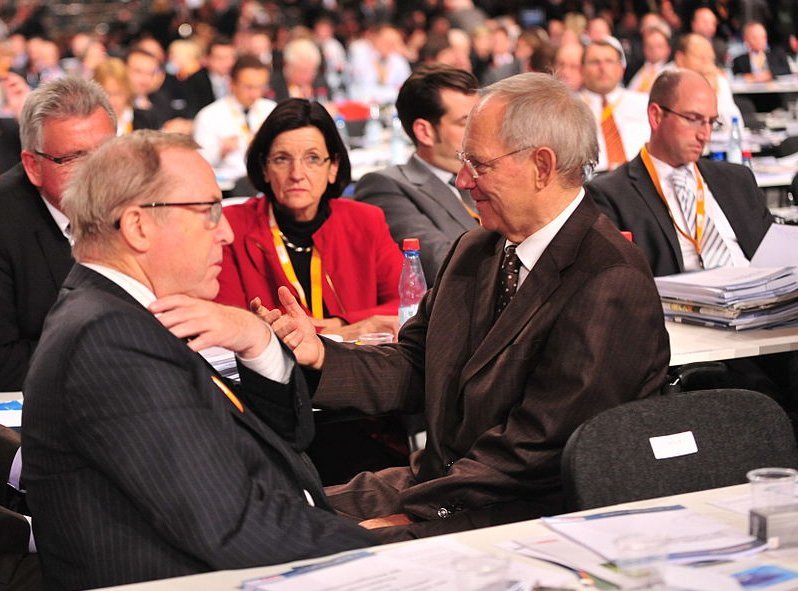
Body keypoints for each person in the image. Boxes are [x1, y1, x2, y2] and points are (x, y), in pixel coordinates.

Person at [267, 73, 670, 541]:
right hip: (442, 482)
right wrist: (319, 353)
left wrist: (415, 515)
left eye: (478, 164)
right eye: (463, 161)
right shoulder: (477, 248)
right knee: (268, 510)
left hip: (531, 511)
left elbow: (535, 452)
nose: (462, 181)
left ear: (542, 165)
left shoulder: (608, 280)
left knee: (302, 546)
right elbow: (417, 364)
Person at [22, 130, 374, 591]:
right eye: (208, 210)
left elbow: (286, 441)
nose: (226, 231)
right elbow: (232, 526)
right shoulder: (110, 335)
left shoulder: (118, 313)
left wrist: (259, 342)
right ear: (137, 226)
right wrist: (389, 549)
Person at [216, 98, 402, 341]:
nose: (297, 174)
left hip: (359, 366)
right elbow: (227, 319)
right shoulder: (232, 226)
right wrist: (342, 331)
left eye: (312, 158)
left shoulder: (365, 220)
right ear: (264, 168)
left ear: (333, 167)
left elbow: (408, 303)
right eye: (282, 159)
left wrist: (337, 324)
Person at [587, 68, 771, 277]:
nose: (705, 135)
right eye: (693, 119)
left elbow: (774, 257)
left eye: (711, 122)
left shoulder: (738, 179)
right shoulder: (611, 194)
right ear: (656, 116)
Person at [0, 77, 116, 391]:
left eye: (106, 152)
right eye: (75, 158)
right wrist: (119, 356)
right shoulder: (5, 223)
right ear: (32, 165)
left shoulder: (135, 199)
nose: (97, 172)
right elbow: (4, 364)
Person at [354, 65, 480, 284]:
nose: (481, 129)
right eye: (466, 121)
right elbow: (443, 265)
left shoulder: (494, 175)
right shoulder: (385, 186)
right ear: (425, 132)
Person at [193, 54, 275, 194]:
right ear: (232, 84)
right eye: (249, 87)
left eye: (260, 87)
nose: (255, 94)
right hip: (227, 190)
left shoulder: (271, 110)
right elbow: (197, 164)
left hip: (268, 185)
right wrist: (220, 150)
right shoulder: (209, 115)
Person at [580, 37, 649, 172]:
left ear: (621, 68)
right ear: (582, 69)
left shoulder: (644, 103)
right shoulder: (570, 109)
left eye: (609, 61)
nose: (602, 68)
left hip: (641, 176)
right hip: (592, 183)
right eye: (595, 62)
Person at [674, 33, 742, 131]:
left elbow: (735, 123)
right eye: (700, 57)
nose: (705, 62)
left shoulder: (719, 81)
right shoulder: (669, 78)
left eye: (708, 57)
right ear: (680, 57)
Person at [93, 57, 159, 134]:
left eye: (118, 94)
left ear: (127, 91)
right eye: (106, 94)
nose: (112, 100)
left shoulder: (145, 119)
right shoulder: (90, 123)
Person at [183, 36, 237, 119]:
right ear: (208, 59)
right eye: (221, 58)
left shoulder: (238, 77)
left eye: (231, 57)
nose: (228, 63)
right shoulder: (195, 81)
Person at [268, 37, 331, 102]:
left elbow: (329, 102)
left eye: (312, 71)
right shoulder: (273, 83)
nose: (307, 76)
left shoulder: (319, 82)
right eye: (302, 71)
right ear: (287, 66)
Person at [627, 25, 672, 93]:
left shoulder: (673, 72)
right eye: (649, 46)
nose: (653, 50)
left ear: (668, 49)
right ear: (643, 48)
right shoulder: (632, 69)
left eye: (659, 46)